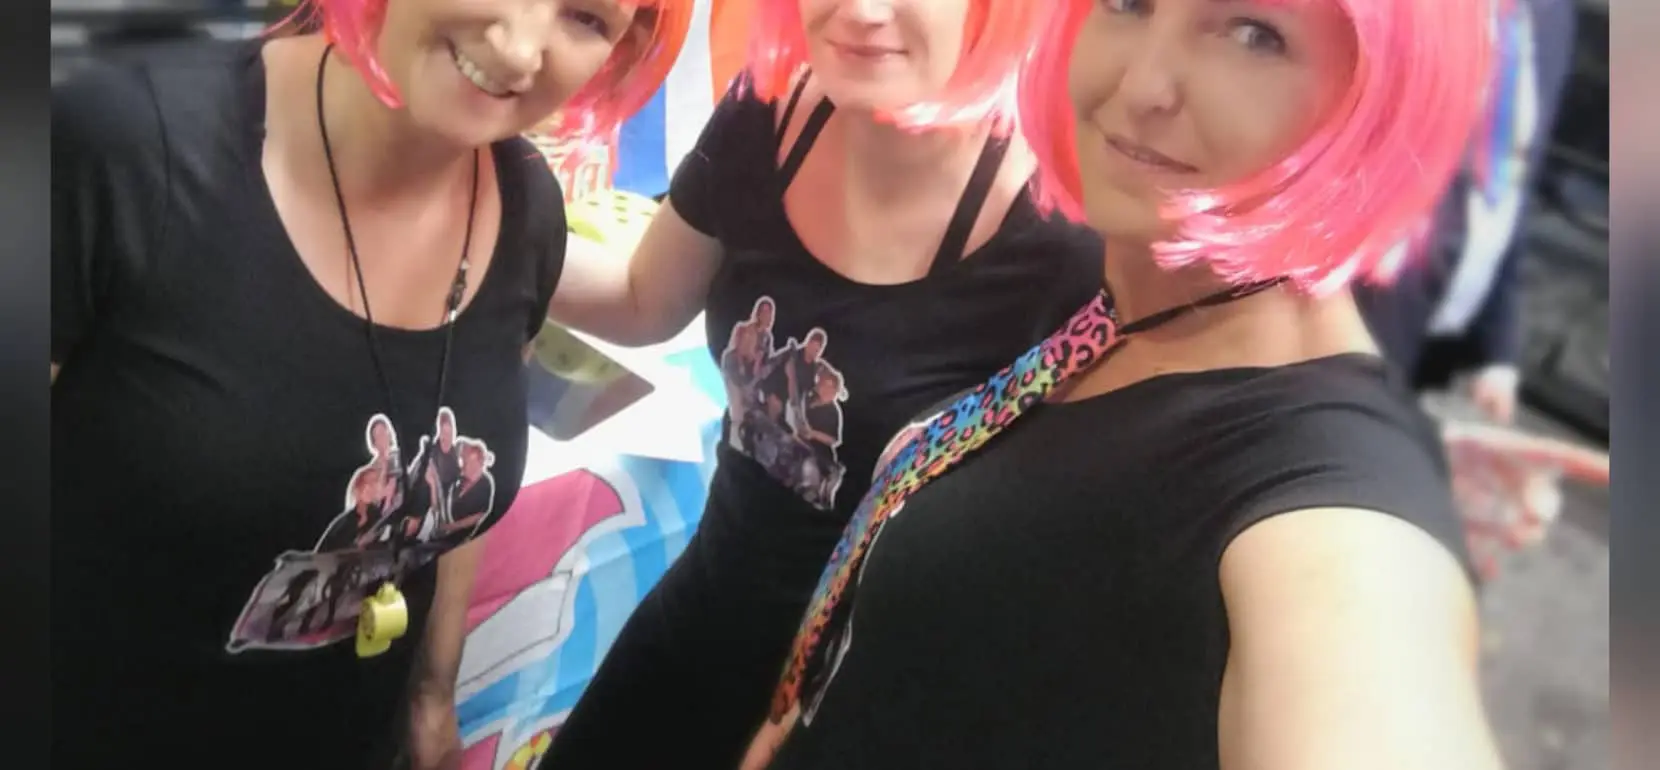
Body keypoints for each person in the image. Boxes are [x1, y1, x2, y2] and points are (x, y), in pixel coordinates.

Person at [741, 0, 1508, 767]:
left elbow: (1362, 662)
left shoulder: (1334, 524)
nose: (1142, 86)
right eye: (1128, 2)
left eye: (1254, 35)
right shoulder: (1131, 309)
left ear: (1379, 97)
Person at [48, 0, 690, 767]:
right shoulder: (118, 142)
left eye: (585, 16)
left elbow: (458, 473)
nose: (521, 51)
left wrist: (432, 692)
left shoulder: (524, 210)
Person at [542, 1, 1104, 767]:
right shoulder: (764, 110)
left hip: (872, 700)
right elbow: (644, 300)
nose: (863, 12)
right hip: (705, 619)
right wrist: (476, 227)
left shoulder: (1065, 230)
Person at [1354, 0, 1579, 425]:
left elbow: (1516, 181)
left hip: (1452, 319)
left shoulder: (1551, 15)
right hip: (1371, 306)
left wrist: (1498, 349)